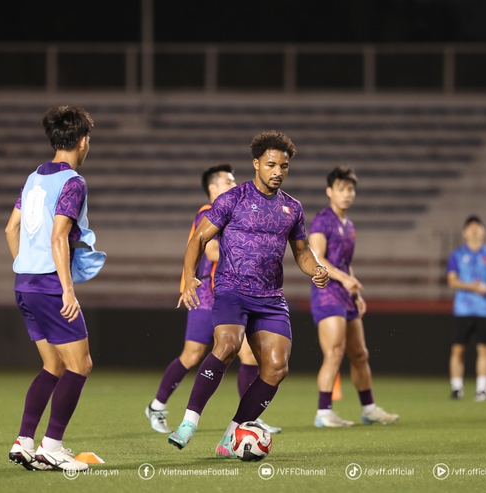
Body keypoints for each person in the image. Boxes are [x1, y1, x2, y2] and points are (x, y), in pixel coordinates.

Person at [168, 130, 329, 457]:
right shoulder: (232, 199)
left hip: (271, 298)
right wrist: (187, 277)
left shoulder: (292, 208)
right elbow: (198, 240)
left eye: (284, 167)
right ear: (256, 164)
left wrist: (317, 270)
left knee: (276, 368)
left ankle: (233, 433)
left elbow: (302, 252)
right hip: (232, 290)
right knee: (228, 345)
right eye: (271, 164)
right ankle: (189, 421)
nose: (278, 172)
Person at [145, 164, 281, 435]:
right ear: (213, 188)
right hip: (208, 295)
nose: (234, 185)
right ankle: (157, 406)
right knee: (192, 355)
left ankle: (247, 419)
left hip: (231, 295)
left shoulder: (232, 213)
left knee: (249, 357)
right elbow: (212, 253)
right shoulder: (208, 213)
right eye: (228, 181)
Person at [5, 105, 105, 472]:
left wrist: (26, 269)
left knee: (52, 365)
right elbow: (59, 235)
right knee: (80, 365)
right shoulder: (72, 181)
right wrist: (66, 289)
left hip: (25, 283)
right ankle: (52, 446)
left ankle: (24, 441)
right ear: (82, 141)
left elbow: (10, 229)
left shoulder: (33, 178)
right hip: (49, 285)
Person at [309, 166, 399, 427]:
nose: (347, 194)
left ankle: (369, 408)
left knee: (360, 354)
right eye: (341, 188)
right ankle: (323, 413)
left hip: (344, 295)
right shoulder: (321, 221)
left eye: (350, 189)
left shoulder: (349, 226)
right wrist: (344, 279)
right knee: (334, 353)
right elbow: (317, 258)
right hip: (326, 293)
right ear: (329, 191)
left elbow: (346, 264)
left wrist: (355, 291)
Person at [446, 215, 486, 401]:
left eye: (478, 227)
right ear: (464, 233)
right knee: (458, 349)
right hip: (463, 308)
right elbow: (452, 280)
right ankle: (456, 387)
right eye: (471, 227)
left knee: (485, 349)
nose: (474, 230)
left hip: (485, 309)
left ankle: (481, 388)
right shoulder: (457, 255)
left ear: (484, 231)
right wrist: (472, 287)